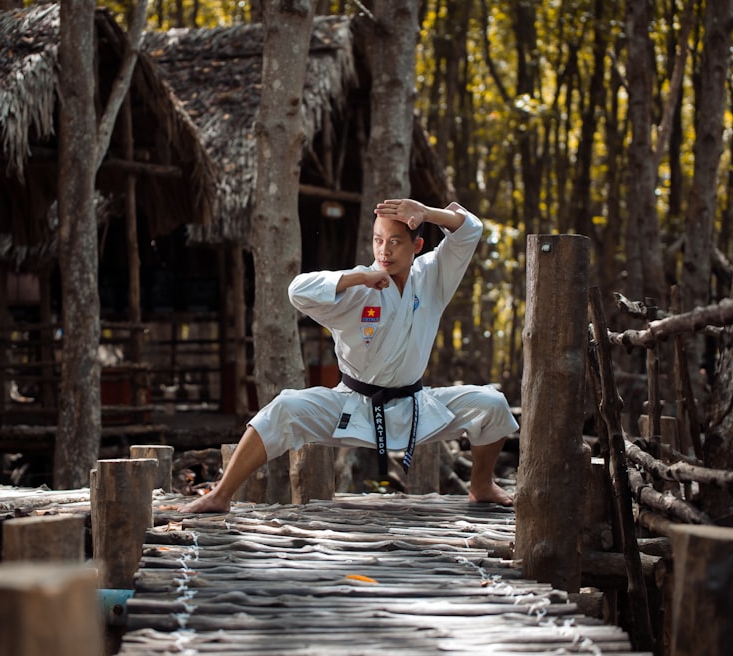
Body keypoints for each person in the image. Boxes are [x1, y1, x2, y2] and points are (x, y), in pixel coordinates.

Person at [181, 198, 518, 513]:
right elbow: (297, 290)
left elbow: (470, 228)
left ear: (417, 246)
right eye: (378, 240)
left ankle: (482, 485)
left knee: (491, 404)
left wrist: (426, 212)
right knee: (283, 408)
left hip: (415, 405)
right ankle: (221, 495)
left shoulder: (433, 276)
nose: (384, 251)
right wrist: (360, 277)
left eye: (396, 241)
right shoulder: (357, 285)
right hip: (352, 405)